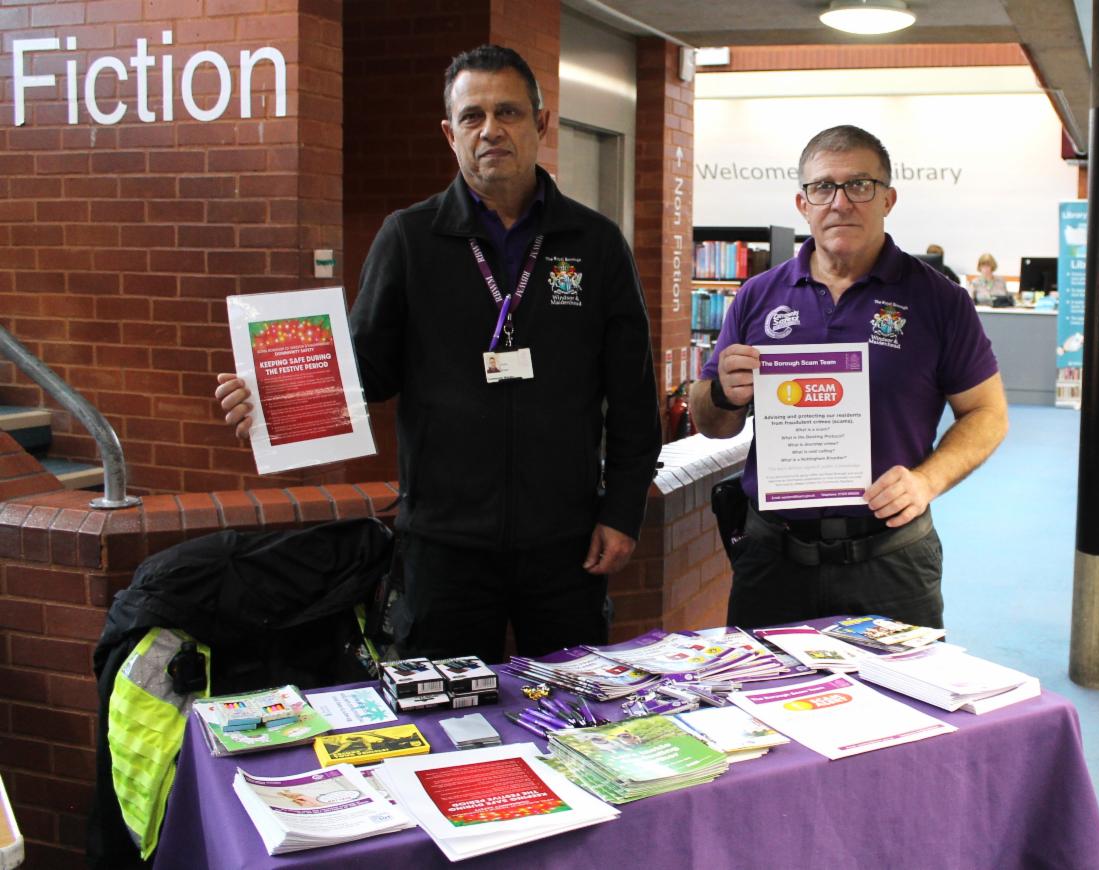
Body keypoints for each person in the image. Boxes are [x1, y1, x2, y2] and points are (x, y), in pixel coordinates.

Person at [215, 45, 661, 663]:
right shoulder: (409, 238)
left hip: (566, 545)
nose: (491, 130)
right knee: (440, 725)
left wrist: (623, 512)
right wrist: (275, 395)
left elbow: (635, 397)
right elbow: (366, 370)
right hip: (442, 549)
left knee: (571, 716)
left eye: (507, 112)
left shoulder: (596, 244)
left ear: (541, 123)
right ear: (450, 134)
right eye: (473, 116)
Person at [689, 125, 1008, 630]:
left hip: (891, 559)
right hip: (772, 559)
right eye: (823, 187)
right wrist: (722, 394)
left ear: (888, 199)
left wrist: (927, 481)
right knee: (757, 703)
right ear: (802, 203)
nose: (840, 202)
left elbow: (988, 412)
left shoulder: (940, 301)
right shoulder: (756, 296)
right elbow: (711, 423)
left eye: (859, 185)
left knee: (902, 706)